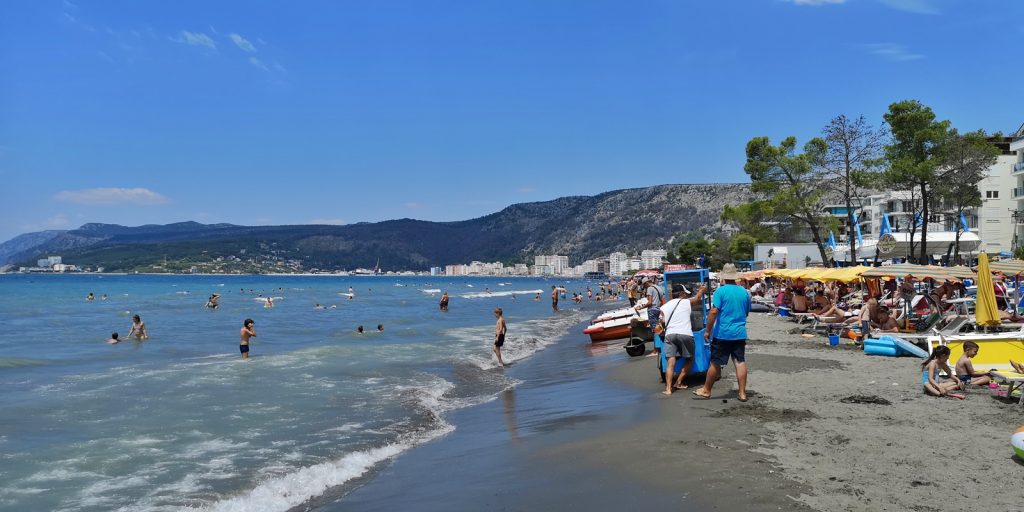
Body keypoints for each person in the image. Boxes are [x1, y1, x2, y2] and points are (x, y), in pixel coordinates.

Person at [694, 264, 751, 401]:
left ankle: (707, 390)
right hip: (739, 333)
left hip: (723, 333)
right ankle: (742, 393)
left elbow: (714, 311)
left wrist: (707, 330)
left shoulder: (720, 292)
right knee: (739, 361)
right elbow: (747, 312)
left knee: (715, 362)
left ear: (723, 277)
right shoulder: (744, 292)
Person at [660, 283, 707, 395]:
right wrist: (701, 290)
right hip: (685, 333)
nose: (686, 295)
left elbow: (661, 322)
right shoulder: (686, 302)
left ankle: (668, 389)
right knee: (690, 359)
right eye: (685, 293)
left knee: (670, 362)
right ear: (681, 294)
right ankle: (679, 382)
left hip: (670, 334)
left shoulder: (664, 306)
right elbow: (697, 299)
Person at [637, 278, 665, 357]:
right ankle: (660, 348)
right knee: (659, 329)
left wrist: (641, 307)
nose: (644, 287)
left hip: (652, 310)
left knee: (655, 330)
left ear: (646, 283)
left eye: (644, 285)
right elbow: (662, 300)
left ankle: (656, 351)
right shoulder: (658, 287)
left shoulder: (649, 288)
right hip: (658, 309)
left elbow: (650, 302)